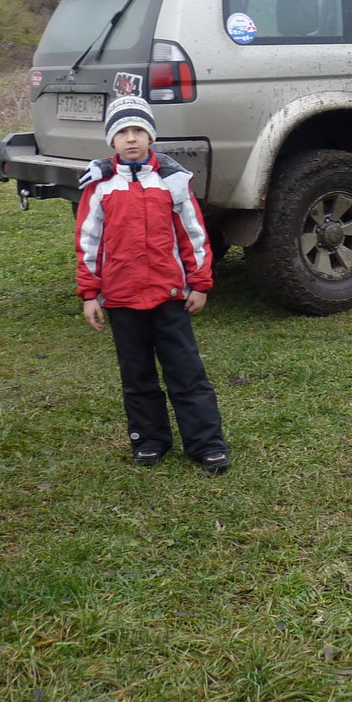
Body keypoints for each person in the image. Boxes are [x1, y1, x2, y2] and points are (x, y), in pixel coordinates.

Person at [74, 94, 231, 475]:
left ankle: (206, 444)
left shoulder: (173, 181)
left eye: (138, 130)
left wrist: (199, 284)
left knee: (186, 373)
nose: (131, 138)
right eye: (122, 132)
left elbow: (194, 235)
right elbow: (89, 243)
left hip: (169, 297)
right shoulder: (100, 186)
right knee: (137, 375)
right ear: (111, 140)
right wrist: (90, 293)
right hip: (121, 300)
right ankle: (149, 440)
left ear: (151, 136)